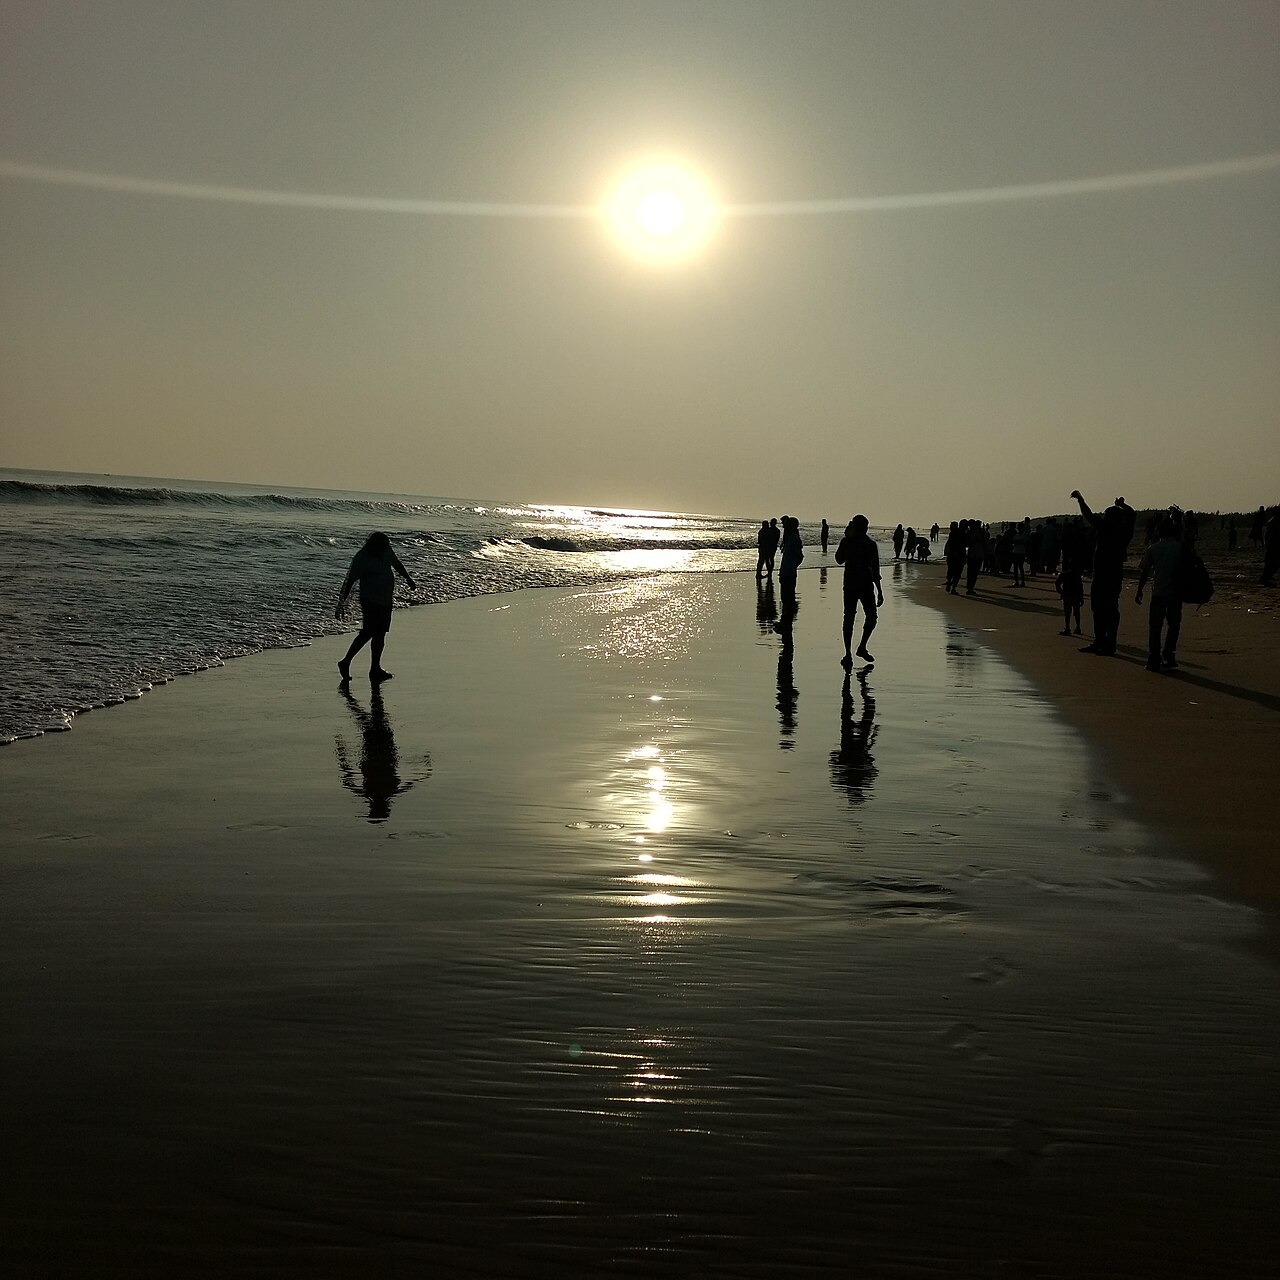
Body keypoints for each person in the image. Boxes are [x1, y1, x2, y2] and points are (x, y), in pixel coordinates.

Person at [336, 531, 416, 683]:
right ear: (374, 545)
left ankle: (375, 668)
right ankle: (346, 661)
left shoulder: (386, 551)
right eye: (384, 546)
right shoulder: (362, 558)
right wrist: (341, 603)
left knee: (380, 634)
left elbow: (397, 564)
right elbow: (350, 581)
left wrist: (408, 579)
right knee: (368, 632)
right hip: (370, 600)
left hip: (385, 599)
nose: (387, 548)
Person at [1071, 491, 1136, 656]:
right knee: (1107, 608)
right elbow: (1132, 515)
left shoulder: (1107, 528)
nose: (1104, 517)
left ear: (1112, 517)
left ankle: (1105, 642)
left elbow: (1089, 515)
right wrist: (1122, 505)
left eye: (1106, 515)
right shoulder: (1125, 531)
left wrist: (1081, 500)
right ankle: (1104, 641)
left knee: (1103, 609)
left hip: (1104, 574)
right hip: (1112, 574)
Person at [1135, 517, 1184, 672]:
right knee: (1174, 625)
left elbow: (1144, 571)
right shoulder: (1180, 548)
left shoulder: (1153, 548)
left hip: (1159, 593)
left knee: (1155, 628)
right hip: (1176, 593)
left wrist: (1139, 590)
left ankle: (1154, 658)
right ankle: (1169, 654)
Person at [835, 515, 883, 667]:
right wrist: (880, 591)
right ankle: (861, 646)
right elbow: (876, 570)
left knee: (849, 617)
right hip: (866, 585)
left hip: (850, 584)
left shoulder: (847, 541)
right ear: (866, 527)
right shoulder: (870, 544)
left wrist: (845, 537)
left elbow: (838, 559)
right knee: (871, 616)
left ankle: (848, 653)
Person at [778, 515, 804, 610]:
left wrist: (792, 566)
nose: (784, 526)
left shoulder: (793, 539)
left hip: (788, 572)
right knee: (786, 597)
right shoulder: (791, 537)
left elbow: (800, 556)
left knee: (787, 597)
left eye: (786, 525)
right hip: (788, 571)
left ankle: (787, 619)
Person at [1264, 507, 1280, 587]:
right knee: (1274, 563)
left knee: (1270, 563)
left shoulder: (1271, 521)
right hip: (1274, 545)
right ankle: (1266, 578)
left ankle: (1266, 577)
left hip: (1271, 545)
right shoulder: (1275, 522)